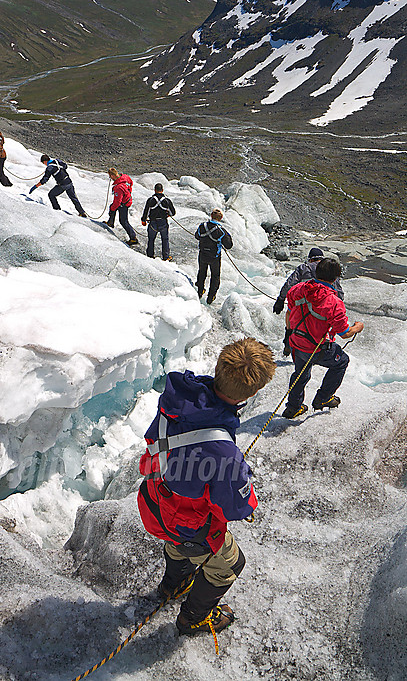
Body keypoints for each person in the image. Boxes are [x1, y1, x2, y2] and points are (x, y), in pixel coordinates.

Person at [138, 338, 276, 638]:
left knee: (177, 544)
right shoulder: (223, 453)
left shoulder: (178, 401)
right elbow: (235, 506)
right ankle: (192, 619)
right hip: (187, 522)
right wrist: (245, 493)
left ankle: (172, 585)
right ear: (253, 393)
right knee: (228, 564)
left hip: (153, 501)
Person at [282, 257, 364, 419]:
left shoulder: (297, 289)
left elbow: (290, 313)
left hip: (297, 342)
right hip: (318, 347)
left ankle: (293, 408)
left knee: (300, 373)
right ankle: (323, 398)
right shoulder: (334, 302)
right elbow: (344, 333)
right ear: (335, 278)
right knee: (341, 362)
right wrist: (357, 327)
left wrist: (291, 333)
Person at [272, 247, 344, 314]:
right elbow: (339, 292)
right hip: (324, 306)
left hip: (304, 305)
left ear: (311, 259)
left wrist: (281, 299)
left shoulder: (303, 268)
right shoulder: (330, 269)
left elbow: (290, 284)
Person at [195, 209, 233, 304]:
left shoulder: (202, 226)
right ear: (221, 218)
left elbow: (197, 236)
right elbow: (229, 245)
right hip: (214, 257)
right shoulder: (221, 231)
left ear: (211, 215)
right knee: (215, 276)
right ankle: (211, 297)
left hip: (203, 254)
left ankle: (200, 291)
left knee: (202, 272)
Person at [141, 183, 176, 261]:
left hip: (153, 222)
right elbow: (173, 212)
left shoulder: (150, 200)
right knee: (165, 239)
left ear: (155, 190)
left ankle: (150, 255)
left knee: (151, 239)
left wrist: (143, 220)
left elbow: (146, 211)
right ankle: (166, 256)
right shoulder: (167, 200)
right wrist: (168, 214)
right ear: (162, 190)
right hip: (163, 222)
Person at [106, 167, 138, 245]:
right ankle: (110, 222)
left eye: (110, 176)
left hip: (123, 204)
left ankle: (133, 237)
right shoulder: (125, 177)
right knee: (112, 207)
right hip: (127, 199)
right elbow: (131, 182)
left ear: (112, 175)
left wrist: (112, 210)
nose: (110, 178)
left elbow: (117, 202)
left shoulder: (118, 187)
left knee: (123, 221)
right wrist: (128, 191)